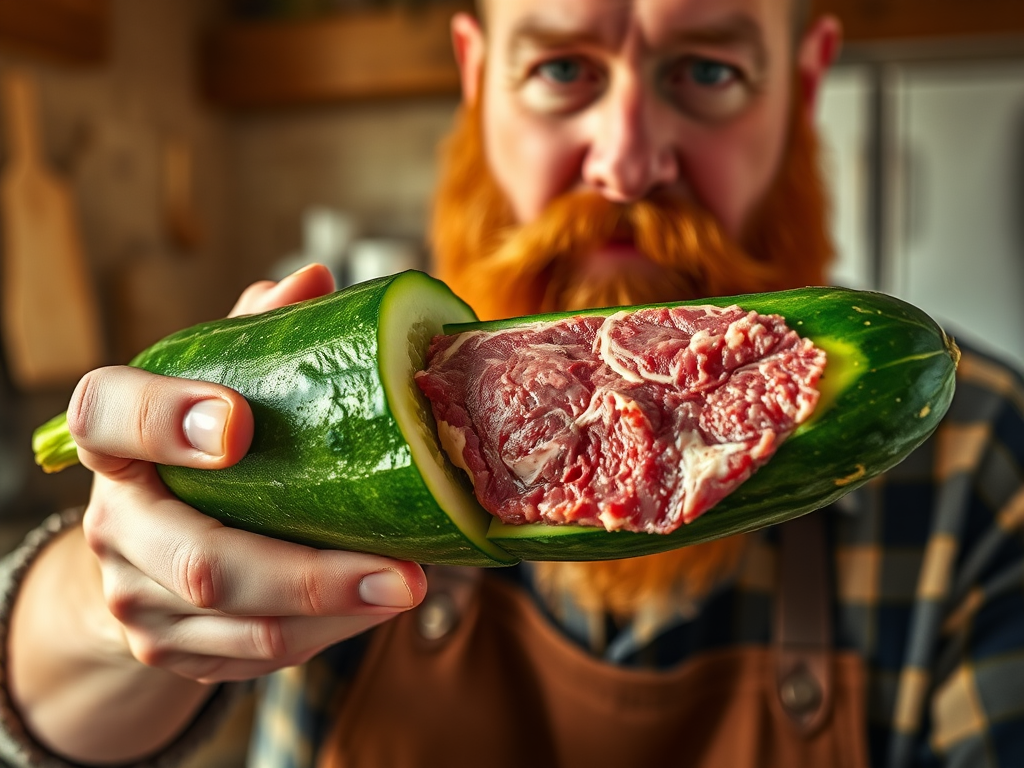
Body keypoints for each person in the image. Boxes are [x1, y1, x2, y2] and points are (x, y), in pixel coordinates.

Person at [3, 0, 1024, 766]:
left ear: (804, 86)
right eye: (565, 68)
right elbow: (64, 720)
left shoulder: (986, 463)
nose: (626, 162)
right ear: (475, 70)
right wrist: (98, 612)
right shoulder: (335, 380)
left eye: (708, 71)